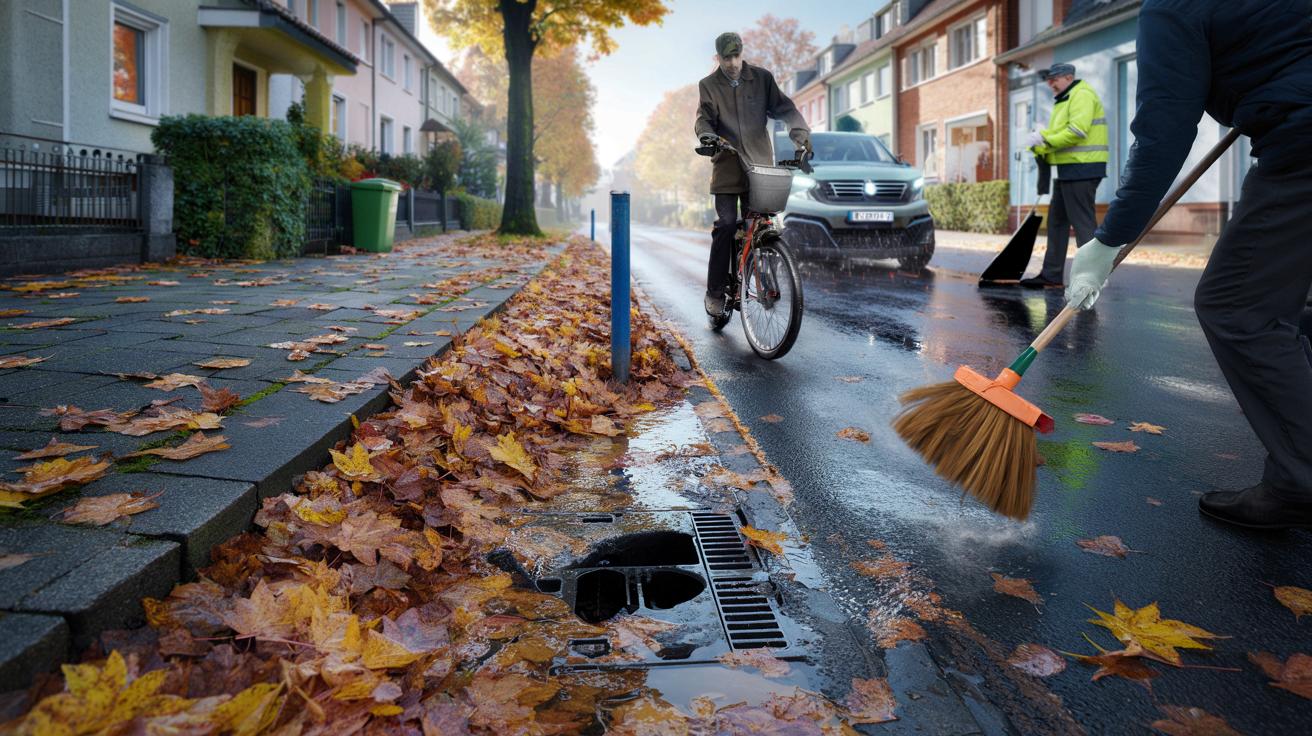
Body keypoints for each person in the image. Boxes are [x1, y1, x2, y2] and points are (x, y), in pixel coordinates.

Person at [1064, 0, 1312, 530]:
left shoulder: (1173, 7)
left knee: (1239, 307)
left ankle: (1302, 481)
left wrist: (1109, 239)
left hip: (1304, 147)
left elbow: (1163, 132)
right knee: (1298, 311)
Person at [694, 32, 810, 318]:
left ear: (742, 53)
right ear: (718, 58)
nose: (732, 63)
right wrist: (707, 136)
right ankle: (716, 292)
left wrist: (801, 137)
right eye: (726, 57)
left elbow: (786, 109)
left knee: (758, 226)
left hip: (758, 166)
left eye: (736, 55)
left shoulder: (762, 79)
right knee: (725, 225)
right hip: (727, 165)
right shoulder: (708, 85)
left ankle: (756, 279)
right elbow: (704, 117)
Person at [1019, 63, 1109, 288]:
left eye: (1054, 79)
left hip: (1082, 169)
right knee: (1057, 223)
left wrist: (1045, 140)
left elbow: (1077, 131)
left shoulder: (1081, 95)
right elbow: (1061, 134)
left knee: (1083, 224)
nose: (1050, 83)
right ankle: (1051, 275)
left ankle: (1090, 278)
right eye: (1048, 80)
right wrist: (1040, 142)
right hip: (1069, 169)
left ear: (1069, 77)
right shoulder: (1065, 99)